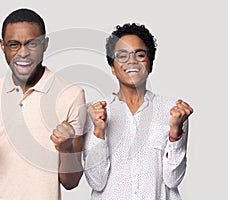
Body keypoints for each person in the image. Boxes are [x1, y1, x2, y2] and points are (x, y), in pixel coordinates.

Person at [0, 8, 85, 200]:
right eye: (14, 45)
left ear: (45, 44)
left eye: (32, 44)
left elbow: (71, 182)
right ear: (2, 46)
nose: (23, 53)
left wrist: (66, 148)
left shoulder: (71, 94)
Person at [83, 23, 193, 199]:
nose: (132, 61)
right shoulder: (95, 113)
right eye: (122, 56)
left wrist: (175, 134)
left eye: (140, 55)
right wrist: (99, 132)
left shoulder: (173, 112)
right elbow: (96, 181)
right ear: (112, 67)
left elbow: (173, 180)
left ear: (150, 65)